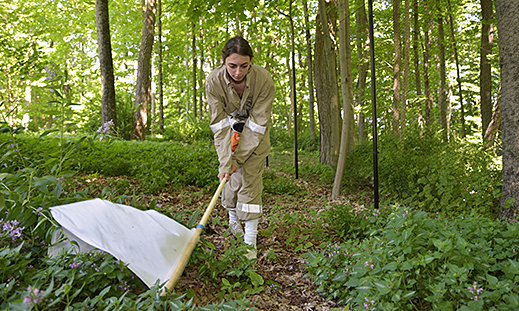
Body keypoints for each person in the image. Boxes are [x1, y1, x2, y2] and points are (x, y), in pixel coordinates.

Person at [206, 36, 275, 259]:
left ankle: (250, 243)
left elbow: (257, 124)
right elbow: (219, 125)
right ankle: (233, 220)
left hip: (257, 136)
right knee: (232, 180)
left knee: (251, 180)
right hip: (230, 134)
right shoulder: (213, 81)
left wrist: (237, 160)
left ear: (251, 62)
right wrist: (226, 162)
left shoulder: (264, 80)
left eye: (244, 66)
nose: (238, 72)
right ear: (223, 61)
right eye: (232, 66)